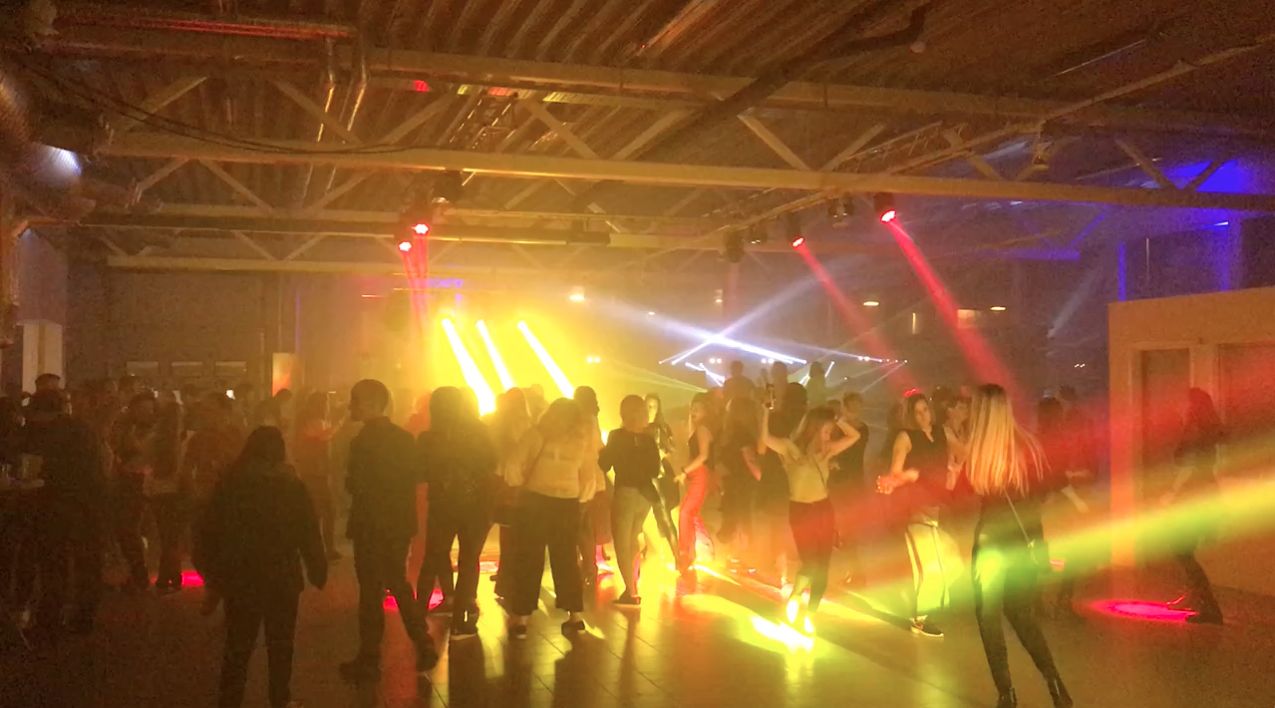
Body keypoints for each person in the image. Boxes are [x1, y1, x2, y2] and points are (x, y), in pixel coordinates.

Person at [193, 427, 328, 708]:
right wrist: (318, 569)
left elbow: (208, 530)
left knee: (237, 646)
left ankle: (229, 701)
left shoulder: (231, 484)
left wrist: (212, 574)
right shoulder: (291, 486)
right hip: (282, 577)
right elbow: (308, 531)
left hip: (241, 577)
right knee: (281, 644)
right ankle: (280, 698)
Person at [960, 384, 1071, 708]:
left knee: (989, 620)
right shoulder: (1030, 446)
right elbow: (1040, 498)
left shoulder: (980, 453)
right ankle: (1057, 687)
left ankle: (1006, 694)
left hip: (990, 546)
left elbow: (960, 497)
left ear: (982, 414)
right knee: (1023, 617)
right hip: (1023, 544)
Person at [339, 380, 436, 682]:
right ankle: (423, 641)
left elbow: (355, 485)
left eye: (355, 401)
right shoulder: (404, 439)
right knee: (398, 582)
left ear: (369, 404)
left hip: (369, 524)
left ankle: (369, 658)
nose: (350, 406)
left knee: (370, 591)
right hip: (398, 523)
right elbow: (418, 476)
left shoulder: (361, 441)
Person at [759, 404, 861, 633]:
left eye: (830, 432)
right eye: (825, 431)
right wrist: (765, 411)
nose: (829, 436)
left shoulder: (827, 450)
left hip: (824, 509)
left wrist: (838, 419)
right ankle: (796, 595)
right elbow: (765, 439)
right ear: (813, 429)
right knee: (810, 563)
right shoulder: (790, 448)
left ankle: (811, 615)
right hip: (800, 511)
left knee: (822, 567)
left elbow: (855, 436)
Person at [502, 398, 597, 638]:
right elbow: (589, 477)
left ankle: (522, 619)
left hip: (535, 501)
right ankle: (575, 616)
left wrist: (520, 484)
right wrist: (580, 498)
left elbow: (512, 465)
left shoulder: (536, 435)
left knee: (529, 559)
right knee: (566, 559)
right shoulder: (581, 440)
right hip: (567, 504)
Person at [416, 386, 497, 639]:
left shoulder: (429, 438)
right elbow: (491, 463)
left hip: (442, 504)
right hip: (475, 504)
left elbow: (420, 473)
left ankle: (417, 615)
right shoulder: (478, 432)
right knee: (469, 560)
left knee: (432, 558)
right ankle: (461, 620)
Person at [23, 390, 105, 637]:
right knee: (85, 563)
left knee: (53, 563)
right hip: (89, 504)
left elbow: (41, 467)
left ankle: (49, 618)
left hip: (57, 504)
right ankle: (84, 617)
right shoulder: (83, 429)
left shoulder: (47, 433)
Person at [876, 391, 954, 638]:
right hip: (915, 508)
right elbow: (895, 473)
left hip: (938, 505)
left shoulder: (942, 432)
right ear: (909, 415)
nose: (922, 416)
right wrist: (906, 477)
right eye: (917, 412)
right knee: (929, 566)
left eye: (925, 410)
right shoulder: (905, 437)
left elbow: (963, 452)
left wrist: (955, 468)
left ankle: (922, 613)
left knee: (945, 563)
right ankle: (919, 619)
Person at [1161, 388, 1225, 624]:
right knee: (1183, 548)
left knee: (1182, 549)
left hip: (1196, 495)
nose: (1183, 408)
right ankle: (1193, 596)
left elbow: (1183, 461)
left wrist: (1176, 494)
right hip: (1201, 493)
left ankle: (1209, 607)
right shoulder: (1207, 430)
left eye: (1187, 404)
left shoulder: (1198, 432)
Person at [599, 395, 661, 607]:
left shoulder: (616, 436)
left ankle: (630, 590)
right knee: (634, 538)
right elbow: (655, 470)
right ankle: (633, 585)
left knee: (622, 542)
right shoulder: (649, 439)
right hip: (645, 495)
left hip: (625, 491)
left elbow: (605, 463)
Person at [490, 388, 533, 601]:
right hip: (523, 486)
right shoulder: (529, 424)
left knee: (508, 538)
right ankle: (513, 583)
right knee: (518, 538)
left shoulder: (501, 424)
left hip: (507, 484)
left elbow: (507, 460)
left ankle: (507, 584)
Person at [112, 391, 158, 591]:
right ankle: (136, 573)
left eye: (149, 409)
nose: (145, 413)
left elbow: (146, 456)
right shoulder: (125, 428)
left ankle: (139, 576)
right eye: (141, 409)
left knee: (130, 529)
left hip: (141, 482)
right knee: (125, 530)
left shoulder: (155, 431)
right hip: (124, 481)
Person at [147, 397, 188, 593]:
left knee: (165, 537)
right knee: (174, 536)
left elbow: (146, 462)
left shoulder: (154, 439)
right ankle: (172, 576)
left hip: (159, 491)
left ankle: (168, 576)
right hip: (179, 491)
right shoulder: (185, 439)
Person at [831, 391, 871, 588]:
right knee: (845, 531)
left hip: (850, 484)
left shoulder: (861, 430)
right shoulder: (839, 428)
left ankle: (856, 574)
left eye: (858, 406)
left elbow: (853, 442)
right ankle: (854, 573)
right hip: (841, 483)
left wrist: (839, 420)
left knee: (849, 531)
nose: (856, 411)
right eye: (853, 407)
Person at [717, 396, 762, 569]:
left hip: (731, 482)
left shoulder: (726, 433)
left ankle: (734, 557)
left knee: (735, 518)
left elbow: (720, 462)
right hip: (744, 482)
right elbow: (750, 460)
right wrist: (762, 478)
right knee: (745, 519)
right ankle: (746, 559)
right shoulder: (743, 434)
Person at [294, 392, 339, 561]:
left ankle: (321, 548)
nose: (328, 406)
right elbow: (324, 436)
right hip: (315, 473)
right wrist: (340, 423)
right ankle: (323, 549)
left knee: (321, 512)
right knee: (323, 512)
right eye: (326, 402)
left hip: (317, 472)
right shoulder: (313, 422)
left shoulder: (313, 421)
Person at [572, 386, 608, 586]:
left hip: (581, 476)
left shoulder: (582, 420)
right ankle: (589, 567)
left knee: (578, 524)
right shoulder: (593, 419)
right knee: (585, 525)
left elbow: (583, 447)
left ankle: (584, 567)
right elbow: (599, 446)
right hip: (593, 476)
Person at [677, 393, 715, 575]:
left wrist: (685, 471)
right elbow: (688, 438)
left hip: (700, 475)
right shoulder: (697, 428)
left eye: (697, 409)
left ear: (706, 412)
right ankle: (694, 552)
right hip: (696, 475)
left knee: (686, 512)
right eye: (692, 408)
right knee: (690, 513)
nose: (693, 412)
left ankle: (686, 553)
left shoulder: (703, 429)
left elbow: (704, 455)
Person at [644, 393, 681, 565]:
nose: (649, 410)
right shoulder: (636, 427)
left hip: (657, 476)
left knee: (664, 517)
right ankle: (648, 552)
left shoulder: (661, 428)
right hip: (641, 477)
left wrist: (662, 451)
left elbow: (672, 449)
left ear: (658, 409)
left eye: (653, 406)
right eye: (647, 406)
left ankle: (677, 557)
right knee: (642, 519)